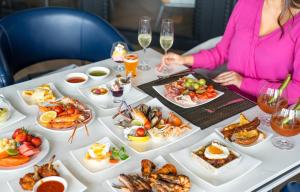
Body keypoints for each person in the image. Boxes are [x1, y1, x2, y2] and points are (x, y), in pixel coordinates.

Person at [160, 0, 300, 104]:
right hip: (226, 99)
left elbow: (297, 91)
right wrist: (183, 60)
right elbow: (221, 52)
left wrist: (243, 83)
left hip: (270, 110)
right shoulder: (246, 3)